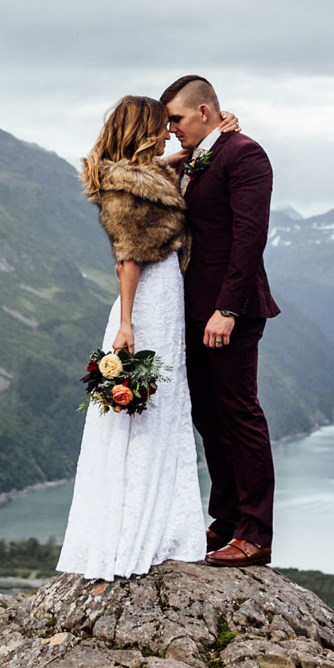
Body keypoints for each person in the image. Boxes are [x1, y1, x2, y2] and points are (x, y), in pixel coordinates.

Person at [56, 95, 209, 584]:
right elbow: (127, 258)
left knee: (164, 405)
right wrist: (126, 323)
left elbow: (163, 168)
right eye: (161, 126)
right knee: (150, 407)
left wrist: (219, 131)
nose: (169, 133)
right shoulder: (127, 187)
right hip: (145, 304)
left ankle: (164, 522)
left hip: (162, 298)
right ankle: (137, 530)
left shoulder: (137, 176)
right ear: (144, 128)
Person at [161, 74, 280, 568]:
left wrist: (227, 310)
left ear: (205, 112)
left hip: (230, 311)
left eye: (176, 119)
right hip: (193, 310)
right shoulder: (200, 154)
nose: (170, 130)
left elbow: (249, 238)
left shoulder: (246, 155)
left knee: (240, 415)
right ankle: (226, 520)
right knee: (208, 417)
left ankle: (256, 533)